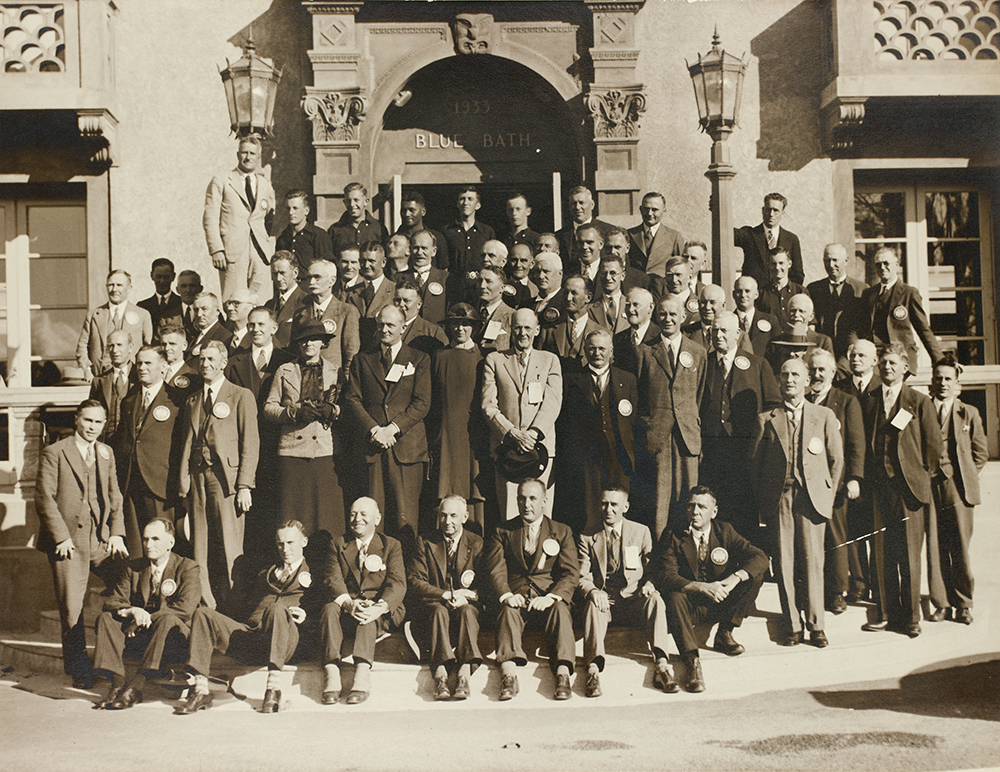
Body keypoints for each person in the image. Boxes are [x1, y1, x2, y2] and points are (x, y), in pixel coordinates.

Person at [175, 521, 319, 714]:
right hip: (255, 638)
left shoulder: (315, 574)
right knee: (203, 613)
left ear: (304, 542)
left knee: (277, 609)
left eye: (291, 543)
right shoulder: (265, 573)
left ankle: (273, 689)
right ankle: (201, 690)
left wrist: (306, 617)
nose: (285, 549)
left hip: (287, 643)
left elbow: (323, 613)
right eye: (280, 544)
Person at [35, 400, 128, 688]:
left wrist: (116, 533)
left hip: (99, 538)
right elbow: (45, 499)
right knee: (72, 607)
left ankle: (115, 653)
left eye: (98, 422)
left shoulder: (105, 452)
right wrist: (60, 537)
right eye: (87, 420)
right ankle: (79, 669)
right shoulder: (56, 452)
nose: (92, 427)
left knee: (126, 581)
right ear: (77, 419)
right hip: (69, 541)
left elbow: (115, 496)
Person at [752, 358, 844, 647]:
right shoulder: (767, 419)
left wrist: (825, 494)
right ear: (778, 381)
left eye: (796, 375)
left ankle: (817, 625)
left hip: (811, 498)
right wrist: (766, 497)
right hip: (781, 498)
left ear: (807, 381)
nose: (789, 379)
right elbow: (755, 464)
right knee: (785, 562)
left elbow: (836, 459)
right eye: (785, 374)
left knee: (814, 562)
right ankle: (792, 624)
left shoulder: (824, 415)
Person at [650, 486, 768, 692]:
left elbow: (759, 557)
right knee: (675, 594)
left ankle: (725, 632)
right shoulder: (674, 534)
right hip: (688, 608)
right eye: (691, 506)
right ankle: (692, 661)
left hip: (719, 603)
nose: (695, 511)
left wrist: (734, 578)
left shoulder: (725, 531)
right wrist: (702, 587)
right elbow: (666, 576)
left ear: (713, 512)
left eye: (702, 507)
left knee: (753, 576)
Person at [862, 344, 941, 638]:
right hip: (878, 489)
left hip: (908, 492)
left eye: (893, 363)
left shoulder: (918, 402)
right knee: (882, 556)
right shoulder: (869, 399)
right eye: (883, 363)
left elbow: (933, 449)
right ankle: (885, 613)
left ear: (905, 367)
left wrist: (920, 479)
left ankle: (910, 618)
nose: (887, 367)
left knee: (909, 556)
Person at [177, 341, 260, 609]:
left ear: (223, 362)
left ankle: (234, 607)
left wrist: (245, 484)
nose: (206, 364)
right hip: (197, 478)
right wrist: (184, 483)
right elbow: (187, 443)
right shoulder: (192, 400)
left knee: (229, 545)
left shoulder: (240, 395)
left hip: (227, 481)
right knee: (199, 545)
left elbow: (251, 442)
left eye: (211, 359)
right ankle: (205, 604)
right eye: (202, 360)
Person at [486, 479, 579, 701]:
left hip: (547, 599)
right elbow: (495, 569)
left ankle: (563, 675)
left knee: (560, 610)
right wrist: (507, 594)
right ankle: (508, 676)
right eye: (521, 498)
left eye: (532, 498)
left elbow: (570, 573)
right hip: (517, 597)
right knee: (507, 612)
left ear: (544, 502)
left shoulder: (561, 531)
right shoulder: (503, 530)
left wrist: (552, 597)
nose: (526, 504)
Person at [93, 518, 200, 710]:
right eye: (145, 539)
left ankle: (136, 687)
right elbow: (113, 601)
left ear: (170, 543)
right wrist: (132, 611)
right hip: (143, 638)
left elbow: (184, 609)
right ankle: (117, 685)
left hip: (173, 639)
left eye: (156, 539)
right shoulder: (134, 568)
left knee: (168, 618)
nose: (149, 545)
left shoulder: (187, 567)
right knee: (107, 618)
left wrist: (146, 618)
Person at [344, 305, 431, 540]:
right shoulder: (362, 360)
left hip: (407, 450)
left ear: (403, 327)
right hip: (372, 447)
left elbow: (422, 402)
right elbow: (352, 399)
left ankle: (405, 573)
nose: (385, 329)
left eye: (391, 325)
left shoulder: (419, 359)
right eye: (381, 324)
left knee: (406, 516)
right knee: (372, 514)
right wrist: (375, 430)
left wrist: (392, 428)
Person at [578, 487, 675, 696]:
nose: (608, 509)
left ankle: (662, 664)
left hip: (634, 600)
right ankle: (593, 671)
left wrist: (649, 584)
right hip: (606, 603)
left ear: (625, 507)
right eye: (604, 504)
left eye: (614, 504)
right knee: (592, 605)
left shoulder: (641, 532)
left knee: (656, 600)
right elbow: (581, 575)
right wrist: (594, 591)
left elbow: (652, 569)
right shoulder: (588, 536)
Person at [700, 312, 781, 542]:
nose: (718, 335)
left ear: (737, 333)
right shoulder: (702, 363)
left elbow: (773, 406)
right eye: (714, 330)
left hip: (745, 452)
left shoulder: (757, 364)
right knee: (715, 509)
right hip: (712, 451)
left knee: (744, 511)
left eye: (724, 330)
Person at [227, 306, 296, 567]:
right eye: (251, 325)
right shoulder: (236, 361)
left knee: (276, 506)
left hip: (277, 444)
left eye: (261, 325)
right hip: (245, 445)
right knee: (251, 513)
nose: (256, 330)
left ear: (273, 328)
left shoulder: (287, 359)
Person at [319, 498, 406, 705]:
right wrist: (349, 603)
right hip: (348, 607)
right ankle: (331, 672)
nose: (357, 519)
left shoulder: (391, 545)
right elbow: (333, 579)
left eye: (363, 514)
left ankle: (362, 674)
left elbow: (397, 583)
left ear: (377, 519)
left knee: (368, 615)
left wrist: (379, 607)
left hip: (380, 610)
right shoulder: (337, 544)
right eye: (353, 514)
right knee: (329, 609)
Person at [265, 320, 345, 538]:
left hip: (323, 450)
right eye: (303, 340)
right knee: (294, 511)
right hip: (292, 450)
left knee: (325, 513)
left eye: (314, 339)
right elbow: (269, 408)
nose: (309, 343)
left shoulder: (334, 371)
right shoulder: (285, 370)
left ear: (322, 343)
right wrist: (292, 413)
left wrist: (334, 410)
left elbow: (346, 407)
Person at [482, 309, 562, 521]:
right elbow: (488, 405)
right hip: (508, 449)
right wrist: (512, 433)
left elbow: (553, 402)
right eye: (517, 327)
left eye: (527, 328)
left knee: (541, 512)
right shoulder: (495, 360)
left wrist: (534, 433)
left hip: (541, 448)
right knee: (510, 512)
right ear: (510, 329)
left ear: (537, 330)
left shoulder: (550, 360)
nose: (522, 332)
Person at [555, 329, 637, 534]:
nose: (597, 353)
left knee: (616, 505)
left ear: (611, 351)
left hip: (617, 455)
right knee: (588, 508)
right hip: (585, 457)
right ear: (585, 350)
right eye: (592, 348)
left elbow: (634, 421)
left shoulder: (627, 380)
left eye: (602, 348)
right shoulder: (571, 380)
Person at [637, 296, 707, 538]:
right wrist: (650, 425)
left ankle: (689, 549)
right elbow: (640, 395)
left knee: (689, 498)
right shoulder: (645, 351)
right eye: (663, 314)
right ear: (657, 316)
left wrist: (688, 418)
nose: (668, 319)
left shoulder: (698, 352)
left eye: (673, 315)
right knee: (660, 498)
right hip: (658, 436)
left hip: (687, 435)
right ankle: (660, 556)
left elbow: (699, 395)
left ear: (683, 317)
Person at [407, 495, 487, 700]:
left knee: (468, 611)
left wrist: (468, 596)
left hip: (465, 606)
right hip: (434, 607)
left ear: (465, 517)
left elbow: (487, 583)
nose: (447, 522)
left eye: (453, 516)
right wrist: (445, 594)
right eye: (443, 516)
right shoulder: (425, 541)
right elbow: (415, 580)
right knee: (439, 610)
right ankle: (440, 674)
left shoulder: (476, 543)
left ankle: (464, 672)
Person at [805, 348, 866, 615]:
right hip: (806, 483)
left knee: (836, 537)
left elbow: (856, 443)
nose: (817, 374)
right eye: (813, 369)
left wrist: (854, 478)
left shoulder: (846, 401)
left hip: (835, 483)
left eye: (822, 370)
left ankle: (838, 592)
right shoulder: (803, 399)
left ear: (832, 372)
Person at [928, 354, 986, 625]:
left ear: (957, 385)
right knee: (936, 546)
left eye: (948, 379)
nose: (943, 383)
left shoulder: (968, 413)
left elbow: (980, 453)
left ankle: (963, 603)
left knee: (960, 546)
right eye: (938, 378)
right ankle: (941, 603)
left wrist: (964, 476)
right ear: (931, 381)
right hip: (930, 487)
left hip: (959, 489)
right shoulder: (923, 408)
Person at [116, 345, 184, 556]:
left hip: (161, 485)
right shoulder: (128, 401)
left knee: (163, 543)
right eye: (139, 363)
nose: (142, 368)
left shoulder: (177, 400)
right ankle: (140, 588)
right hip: (131, 483)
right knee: (137, 547)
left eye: (148, 363)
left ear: (163, 368)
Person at [431, 305, 489, 531]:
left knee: (474, 493)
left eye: (465, 324)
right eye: (455, 323)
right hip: (445, 437)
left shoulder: (485, 358)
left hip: (473, 438)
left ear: (474, 327)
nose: (460, 329)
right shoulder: (438, 357)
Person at [203, 134, 275, 302]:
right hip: (233, 252)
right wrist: (216, 249)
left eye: (252, 153)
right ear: (238, 155)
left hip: (260, 253)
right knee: (234, 302)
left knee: (261, 302)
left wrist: (265, 243)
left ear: (258, 157)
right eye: (244, 153)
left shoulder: (265, 184)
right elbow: (210, 218)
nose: (248, 157)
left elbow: (270, 218)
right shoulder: (222, 180)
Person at [859, 245, 943, 372]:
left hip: (901, 356)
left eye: (886, 263)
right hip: (875, 358)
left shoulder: (909, 293)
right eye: (878, 264)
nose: (882, 268)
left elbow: (923, 329)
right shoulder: (869, 294)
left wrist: (940, 360)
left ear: (897, 264)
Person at [77, 270, 153, 379]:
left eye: (119, 285)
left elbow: (148, 348)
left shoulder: (142, 315)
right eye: (111, 285)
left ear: (129, 288)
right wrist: (87, 370)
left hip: (132, 378)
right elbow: (82, 347)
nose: (114, 289)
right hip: (100, 377)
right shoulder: (94, 315)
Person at [293, 260, 361, 377]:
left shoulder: (346, 311)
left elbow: (351, 354)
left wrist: (344, 382)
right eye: (309, 277)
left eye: (317, 277)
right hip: (303, 377)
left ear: (332, 281)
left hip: (333, 379)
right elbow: (294, 350)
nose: (311, 282)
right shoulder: (300, 313)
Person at [806, 243, 865, 362]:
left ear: (846, 261)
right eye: (827, 261)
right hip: (822, 350)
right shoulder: (814, 289)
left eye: (835, 260)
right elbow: (811, 322)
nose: (831, 265)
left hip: (849, 352)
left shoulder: (861, 289)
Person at [734, 193, 805, 287]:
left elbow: (798, 275)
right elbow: (726, 234)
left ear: (782, 213)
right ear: (763, 210)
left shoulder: (791, 239)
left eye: (776, 210)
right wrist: (717, 209)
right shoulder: (749, 234)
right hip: (756, 296)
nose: (771, 214)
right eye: (768, 209)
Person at [538, 275, 603, 373]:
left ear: (588, 297)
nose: (568, 298)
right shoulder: (548, 330)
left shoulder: (602, 333)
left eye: (574, 293)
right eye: (566, 292)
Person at [89, 329, 138, 445]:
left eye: (119, 345)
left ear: (130, 347)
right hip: (106, 441)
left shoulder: (140, 377)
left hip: (133, 442)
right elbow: (92, 412)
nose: (115, 350)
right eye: (111, 346)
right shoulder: (99, 381)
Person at [627, 192, 684, 292]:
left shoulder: (674, 236)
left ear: (664, 210)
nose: (649, 213)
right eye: (646, 209)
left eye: (654, 210)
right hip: (635, 289)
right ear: (640, 209)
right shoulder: (629, 234)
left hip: (663, 290)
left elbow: (681, 267)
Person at [444, 186, 496, 287]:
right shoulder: (447, 231)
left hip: (480, 285)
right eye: (462, 199)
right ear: (457, 203)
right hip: (454, 285)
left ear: (478, 205)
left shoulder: (487, 232)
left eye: (470, 199)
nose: (465, 203)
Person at [275, 189, 334, 276]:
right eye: (288, 208)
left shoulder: (318, 235)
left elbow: (328, 269)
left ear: (306, 210)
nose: (291, 212)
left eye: (295, 208)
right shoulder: (283, 238)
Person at [397, 231, 450, 325]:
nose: (419, 252)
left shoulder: (446, 279)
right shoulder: (397, 278)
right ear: (410, 250)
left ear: (434, 251)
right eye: (416, 248)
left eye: (424, 248)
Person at [394, 279, 449, 356]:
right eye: (397, 300)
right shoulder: (383, 327)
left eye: (406, 301)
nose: (401, 304)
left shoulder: (433, 332)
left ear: (419, 304)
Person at [556, 186, 614, 259]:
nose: (577, 207)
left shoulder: (608, 231)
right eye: (573, 203)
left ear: (592, 204)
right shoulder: (559, 236)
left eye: (581, 202)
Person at [756, 248, 807, 332]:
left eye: (781, 263)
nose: (777, 267)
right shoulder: (762, 293)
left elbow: (810, 323)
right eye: (773, 264)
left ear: (789, 264)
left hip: (794, 341)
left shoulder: (801, 292)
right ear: (769, 265)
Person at [327, 182, 388, 252]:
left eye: (356, 200)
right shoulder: (335, 230)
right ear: (344, 202)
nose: (352, 204)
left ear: (366, 201)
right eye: (348, 201)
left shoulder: (378, 228)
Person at [395, 191, 449, 270]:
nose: (406, 214)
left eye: (411, 210)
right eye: (403, 210)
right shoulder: (393, 242)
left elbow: (443, 271)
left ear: (423, 211)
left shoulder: (437, 238)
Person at [612, 287, 660, 377]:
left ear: (650, 307)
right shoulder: (619, 338)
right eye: (627, 305)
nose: (630, 310)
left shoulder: (660, 336)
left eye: (635, 305)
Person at [264, 252, 306, 349]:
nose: (278, 279)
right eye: (275, 274)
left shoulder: (306, 302)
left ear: (295, 273)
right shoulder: (269, 305)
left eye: (282, 273)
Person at [732, 275, 778, 357]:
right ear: (733, 295)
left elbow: (776, 352)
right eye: (739, 291)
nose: (743, 295)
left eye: (747, 291)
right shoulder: (728, 321)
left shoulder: (771, 321)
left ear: (756, 294)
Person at [357, 241, 397, 332]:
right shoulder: (348, 292)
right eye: (363, 261)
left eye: (371, 261)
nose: (366, 266)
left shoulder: (395, 290)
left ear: (383, 262)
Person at [474, 266, 514, 354]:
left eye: (488, 282)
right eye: (480, 281)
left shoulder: (512, 316)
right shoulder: (471, 312)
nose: (482, 286)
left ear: (502, 288)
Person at [137, 258, 182, 338]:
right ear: (152, 276)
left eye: (166, 277)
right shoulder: (142, 306)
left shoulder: (181, 303)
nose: (162, 281)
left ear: (173, 277)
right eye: (158, 277)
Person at [589, 256, 631, 334]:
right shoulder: (589, 309)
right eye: (603, 273)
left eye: (613, 273)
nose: (607, 278)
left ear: (622, 276)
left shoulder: (631, 305)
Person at [161, 324, 201, 401]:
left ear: (184, 345)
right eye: (163, 344)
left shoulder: (194, 376)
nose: (167, 348)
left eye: (172, 344)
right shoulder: (154, 372)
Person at [187, 292, 234, 358]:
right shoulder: (197, 335)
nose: (199, 314)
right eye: (196, 310)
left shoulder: (225, 337)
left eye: (204, 309)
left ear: (217, 312)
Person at [532, 252, 566, 323]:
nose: (541, 276)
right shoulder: (527, 304)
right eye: (538, 271)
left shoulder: (566, 304)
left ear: (560, 274)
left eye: (546, 271)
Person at [333, 243, 367, 313]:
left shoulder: (366, 288)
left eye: (353, 262)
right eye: (345, 262)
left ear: (360, 264)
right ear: (337, 262)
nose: (349, 267)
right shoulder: (332, 287)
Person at [504, 242, 538, 309]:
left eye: (523, 260)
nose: (518, 265)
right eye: (514, 260)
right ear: (508, 261)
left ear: (532, 264)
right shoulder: (500, 284)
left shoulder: (536, 290)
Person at [222, 288, 255, 354]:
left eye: (236, 303)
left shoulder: (258, 338)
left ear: (252, 307)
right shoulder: (225, 338)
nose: (229, 308)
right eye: (229, 303)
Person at [176, 271, 204, 341]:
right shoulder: (167, 316)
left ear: (200, 289)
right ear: (177, 290)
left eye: (192, 286)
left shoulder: (212, 314)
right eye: (183, 286)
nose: (188, 290)